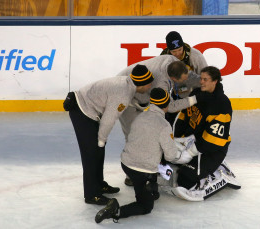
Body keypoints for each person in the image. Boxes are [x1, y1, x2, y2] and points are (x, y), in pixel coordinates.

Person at [94, 88, 198, 223]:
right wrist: (188, 153)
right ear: (166, 105)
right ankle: (116, 211)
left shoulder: (140, 116)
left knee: (150, 172)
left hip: (126, 164)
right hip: (142, 171)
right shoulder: (164, 125)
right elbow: (171, 156)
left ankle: (150, 189)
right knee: (146, 206)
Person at [63, 64, 154, 205]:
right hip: (82, 111)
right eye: (149, 84)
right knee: (91, 154)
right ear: (141, 84)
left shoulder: (128, 84)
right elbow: (109, 119)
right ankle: (92, 195)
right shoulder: (123, 93)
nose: (150, 87)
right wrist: (101, 140)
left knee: (99, 152)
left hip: (87, 107)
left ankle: (99, 184)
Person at [117, 56, 206, 186]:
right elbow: (169, 107)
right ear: (173, 79)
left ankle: (151, 167)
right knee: (133, 134)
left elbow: (189, 76)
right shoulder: (161, 84)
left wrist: (206, 83)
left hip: (141, 94)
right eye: (182, 80)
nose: (185, 81)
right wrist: (194, 99)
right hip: (127, 98)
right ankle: (132, 175)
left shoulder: (173, 61)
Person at [171, 66, 240, 200]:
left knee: (185, 179)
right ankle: (208, 167)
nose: (201, 82)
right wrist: (178, 139)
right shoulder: (197, 93)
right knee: (168, 162)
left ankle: (219, 174)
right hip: (193, 142)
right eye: (201, 79)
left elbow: (213, 139)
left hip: (212, 149)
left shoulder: (222, 104)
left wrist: (190, 152)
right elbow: (184, 116)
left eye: (205, 79)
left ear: (215, 81)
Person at [160, 31, 208, 125]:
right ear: (169, 50)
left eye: (180, 49)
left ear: (183, 46)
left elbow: (206, 77)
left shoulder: (195, 56)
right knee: (168, 122)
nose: (177, 53)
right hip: (176, 94)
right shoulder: (164, 59)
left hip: (195, 93)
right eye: (174, 51)